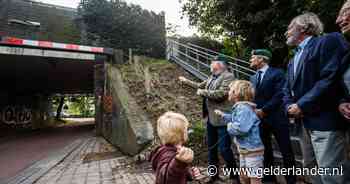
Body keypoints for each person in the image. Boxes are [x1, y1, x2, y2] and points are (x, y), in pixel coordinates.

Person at [283, 12, 349, 184]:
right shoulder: (291, 61)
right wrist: (289, 107)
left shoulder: (327, 41)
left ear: (303, 27)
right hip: (303, 124)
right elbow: (286, 89)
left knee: (332, 173)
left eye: (290, 27)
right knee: (311, 172)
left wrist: (301, 105)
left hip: (325, 121)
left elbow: (329, 77)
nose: (286, 32)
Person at [179, 55, 240, 184]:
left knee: (224, 149)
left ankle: (235, 177)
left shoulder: (228, 76)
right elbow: (199, 85)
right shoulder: (212, 77)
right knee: (211, 148)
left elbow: (221, 94)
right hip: (211, 119)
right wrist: (186, 81)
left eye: (213, 62)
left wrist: (202, 92)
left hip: (223, 119)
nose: (211, 64)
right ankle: (214, 176)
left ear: (220, 64)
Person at [249, 49, 296, 184]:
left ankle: (291, 180)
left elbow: (280, 94)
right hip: (260, 120)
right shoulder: (252, 77)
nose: (250, 60)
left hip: (277, 118)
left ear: (261, 59)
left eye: (253, 58)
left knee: (286, 151)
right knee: (265, 151)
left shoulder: (278, 73)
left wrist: (264, 109)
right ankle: (269, 179)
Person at [215, 80, 264, 184]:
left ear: (236, 94)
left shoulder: (243, 108)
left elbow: (241, 128)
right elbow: (236, 119)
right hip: (245, 150)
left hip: (252, 151)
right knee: (244, 176)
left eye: (230, 90)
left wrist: (229, 126)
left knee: (254, 178)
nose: (228, 92)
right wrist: (223, 115)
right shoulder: (240, 108)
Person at [150, 112, 202, 184]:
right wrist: (180, 163)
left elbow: (179, 172)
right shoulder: (168, 155)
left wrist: (191, 172)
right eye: (186, 129)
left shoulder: (164, 151)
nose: (187, 132)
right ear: (181, 134)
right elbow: (167, 178)